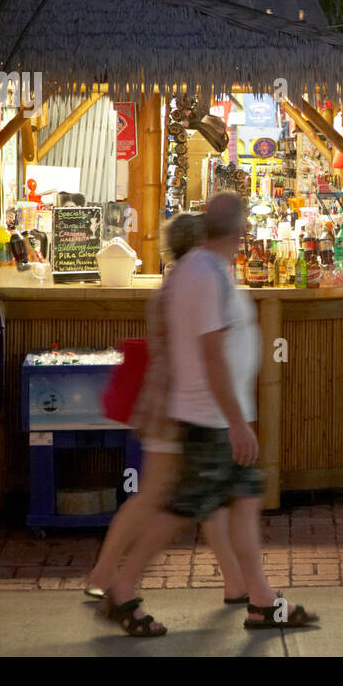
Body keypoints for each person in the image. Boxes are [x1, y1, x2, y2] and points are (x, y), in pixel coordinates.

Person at [100, 193, 318, 635]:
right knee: (180, 511)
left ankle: (261, 599)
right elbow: (213, 353)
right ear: (239, 233)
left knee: (243, 499)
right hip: (209, 416)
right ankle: (121, 588)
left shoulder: (198, 270)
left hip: (212, 412)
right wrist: (237, 422)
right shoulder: (207, 274)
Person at [87, 214, 244, 600]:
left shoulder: (175, 282)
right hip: (178, 407)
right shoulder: (195, 284)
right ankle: (108, 573)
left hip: (171, 403)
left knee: (206, 498)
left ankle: (235, 582)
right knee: (164, 496)